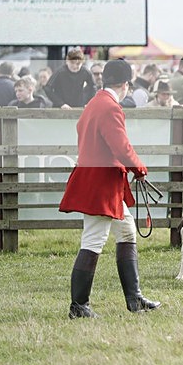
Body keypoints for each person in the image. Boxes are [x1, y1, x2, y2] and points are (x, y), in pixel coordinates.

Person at [59, 59, 160, 318]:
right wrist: (139, 168)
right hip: (101, 184)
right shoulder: (111, 108)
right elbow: (121, 147)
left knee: (127, 232)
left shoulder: (94, 103)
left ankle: (134, 298)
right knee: (94, 239)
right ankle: (79, 306)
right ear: (125, 84)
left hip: (101, 181)